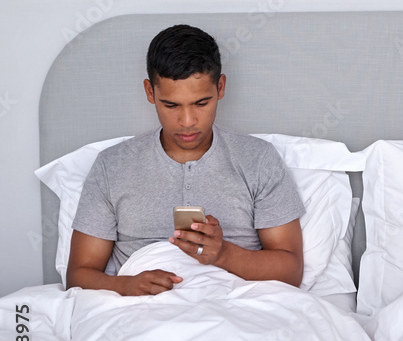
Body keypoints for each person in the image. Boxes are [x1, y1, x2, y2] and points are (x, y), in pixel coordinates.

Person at [66, 24, 305, 295]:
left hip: (235, 305)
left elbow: (291, 271)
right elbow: (78, 275)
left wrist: (223, 254)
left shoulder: (258, 160)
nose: (188, 121)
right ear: (150, 92)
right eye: (171, 105)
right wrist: (124, 285)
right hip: (142, 309)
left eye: (201, 103)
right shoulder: (112, 166)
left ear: (220, 87)